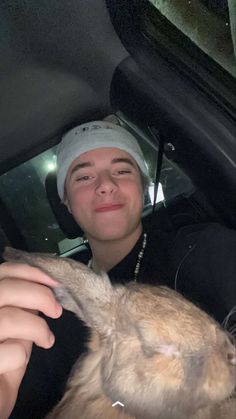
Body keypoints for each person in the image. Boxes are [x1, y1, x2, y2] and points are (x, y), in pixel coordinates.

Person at [0, 120, 235, 419]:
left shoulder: (204, 250)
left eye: (123, 170)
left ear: (143, 185)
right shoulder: (41, 310)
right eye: (84, 177)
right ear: (67, 203)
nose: (106, 184)